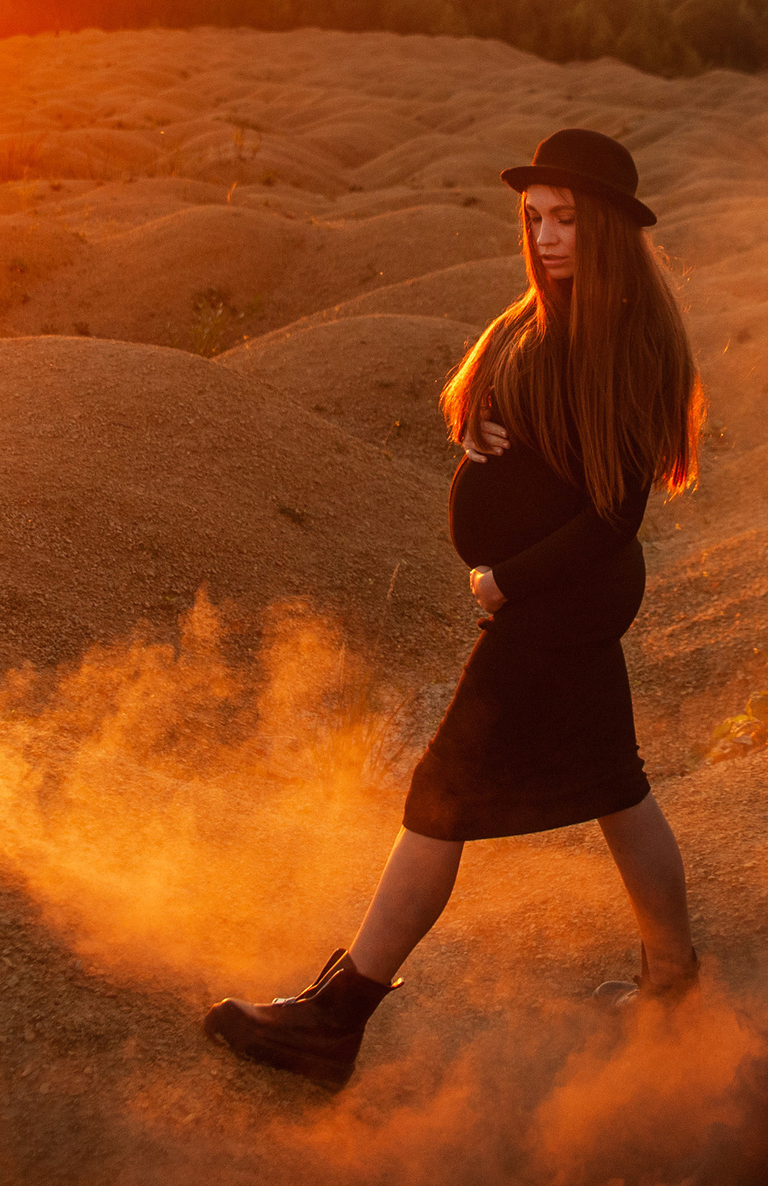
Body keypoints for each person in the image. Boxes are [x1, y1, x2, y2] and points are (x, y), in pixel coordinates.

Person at [203, 129, 707, 1091]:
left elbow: (614, 515)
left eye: (567, 219)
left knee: (439, 799)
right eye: (535, 219)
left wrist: (507, 580)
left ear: (606, 226)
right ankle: (675, 981)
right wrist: (479, 428)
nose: (548, 237)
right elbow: (534, 442)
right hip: (559, 600)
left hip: (556, 605)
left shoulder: (622, 335)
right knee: (616, 784)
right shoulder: (547, 318)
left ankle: (337, 1020)